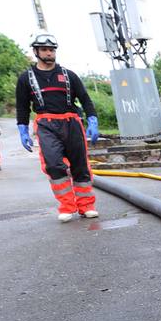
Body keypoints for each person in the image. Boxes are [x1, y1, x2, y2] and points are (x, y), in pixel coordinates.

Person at [15, 31, 100, 221]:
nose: (49, 54)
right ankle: (67, 206)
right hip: (46, 123)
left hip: (71, 122)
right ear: (36, 51)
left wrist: (92, 119)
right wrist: (22, 128)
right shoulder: (26, 79)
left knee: (80, 166)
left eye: (51, 50)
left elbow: (85, 99)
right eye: (44, 50)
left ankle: (86, 206)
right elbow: (22, 107)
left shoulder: (69, 75)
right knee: (53, 164)